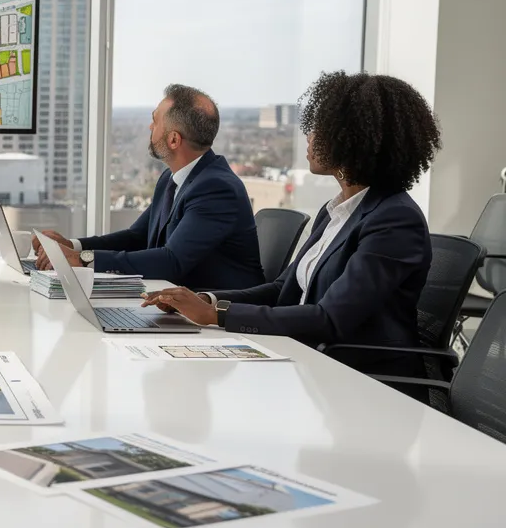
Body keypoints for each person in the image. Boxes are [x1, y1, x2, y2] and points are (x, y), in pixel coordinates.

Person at [143, 72, 441, 379]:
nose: (308, 137)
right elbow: (282, 289)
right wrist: (206, 300)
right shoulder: (338, 212)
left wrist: (216, 316)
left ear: (353, 138)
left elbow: (330, 319)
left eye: (318, 127)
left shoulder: (394, 220)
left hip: (359, 382)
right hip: (308, 364)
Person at [35, 84, 264, 291]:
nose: (150, 126)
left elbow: (171, 261)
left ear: (174, 140)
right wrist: (73, 246)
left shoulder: (216, 189)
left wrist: (82, 259)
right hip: (174, 303)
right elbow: (137, 237)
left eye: (155, 121)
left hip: (217, 317)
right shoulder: (171, 179)